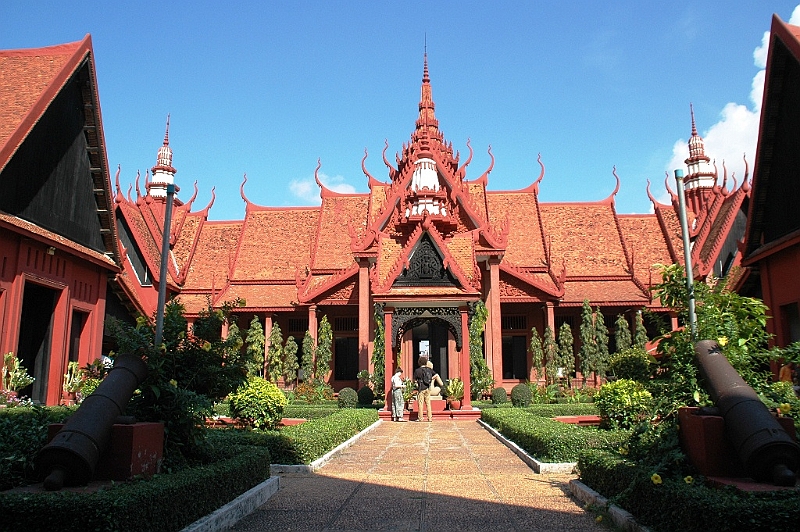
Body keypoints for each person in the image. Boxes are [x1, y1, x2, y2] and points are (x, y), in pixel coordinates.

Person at [413, 356, 434, 422]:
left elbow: (414, 380)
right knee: (428, 403)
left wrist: (417, 383)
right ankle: (430, 418)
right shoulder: (429, 369)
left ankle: (420, 418)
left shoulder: (417, 370)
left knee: (420, 403)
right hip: (428, 388)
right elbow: (435, 375)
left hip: (421, 388)